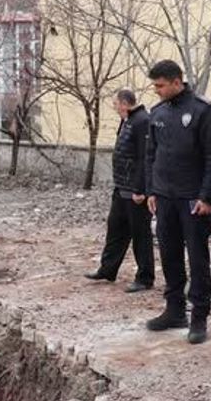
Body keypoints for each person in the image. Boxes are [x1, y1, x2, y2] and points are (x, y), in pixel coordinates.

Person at [144, 60, 211, 344]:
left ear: (177, 82)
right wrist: (152, 190)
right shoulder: (158, 113)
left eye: (160, 85)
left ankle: (199, 316)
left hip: (193, 199)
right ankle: (174, 308)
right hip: (165, 197)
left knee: (198, 257)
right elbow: (151, 155)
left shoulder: (202, 111)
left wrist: (207, 197)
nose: (156, 90)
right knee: (169, 254)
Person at [84, 89, 155, 293]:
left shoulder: (142, 121)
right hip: (121, 187)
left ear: (125, 103)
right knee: (115, 228)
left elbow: (145, 157)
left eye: (115, 104)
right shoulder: (128, 120)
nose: (114, 108)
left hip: (136, 191)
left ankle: (145, 277)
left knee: (140, 234)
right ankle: (108, 269)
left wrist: (141, 188)